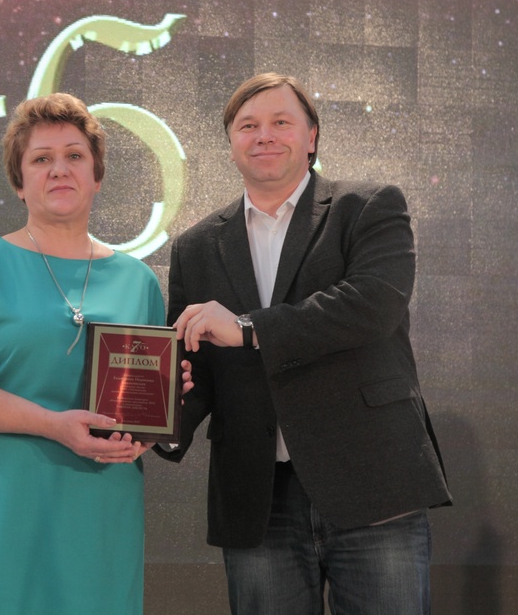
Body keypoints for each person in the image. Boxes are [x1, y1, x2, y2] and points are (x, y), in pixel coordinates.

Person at [159, 73, 452, 614]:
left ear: (312, 136)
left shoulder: (367, 207)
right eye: (248, 125)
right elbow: (193, 366)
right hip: (257, 497)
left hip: (372, 480)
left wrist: (249, 329)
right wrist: (152, 420)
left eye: (281, 122)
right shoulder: (196, 246)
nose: (264, 135)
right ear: (231, 142)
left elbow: (372, 305)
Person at [0, 92, 186, 614]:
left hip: (97, 503)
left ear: (97, 176)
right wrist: (52, 425)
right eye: (41, 158)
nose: (59, 169)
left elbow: (142, 408)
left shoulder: (137, 281)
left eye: (74, 156)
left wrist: (158, 418)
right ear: (19, 182)